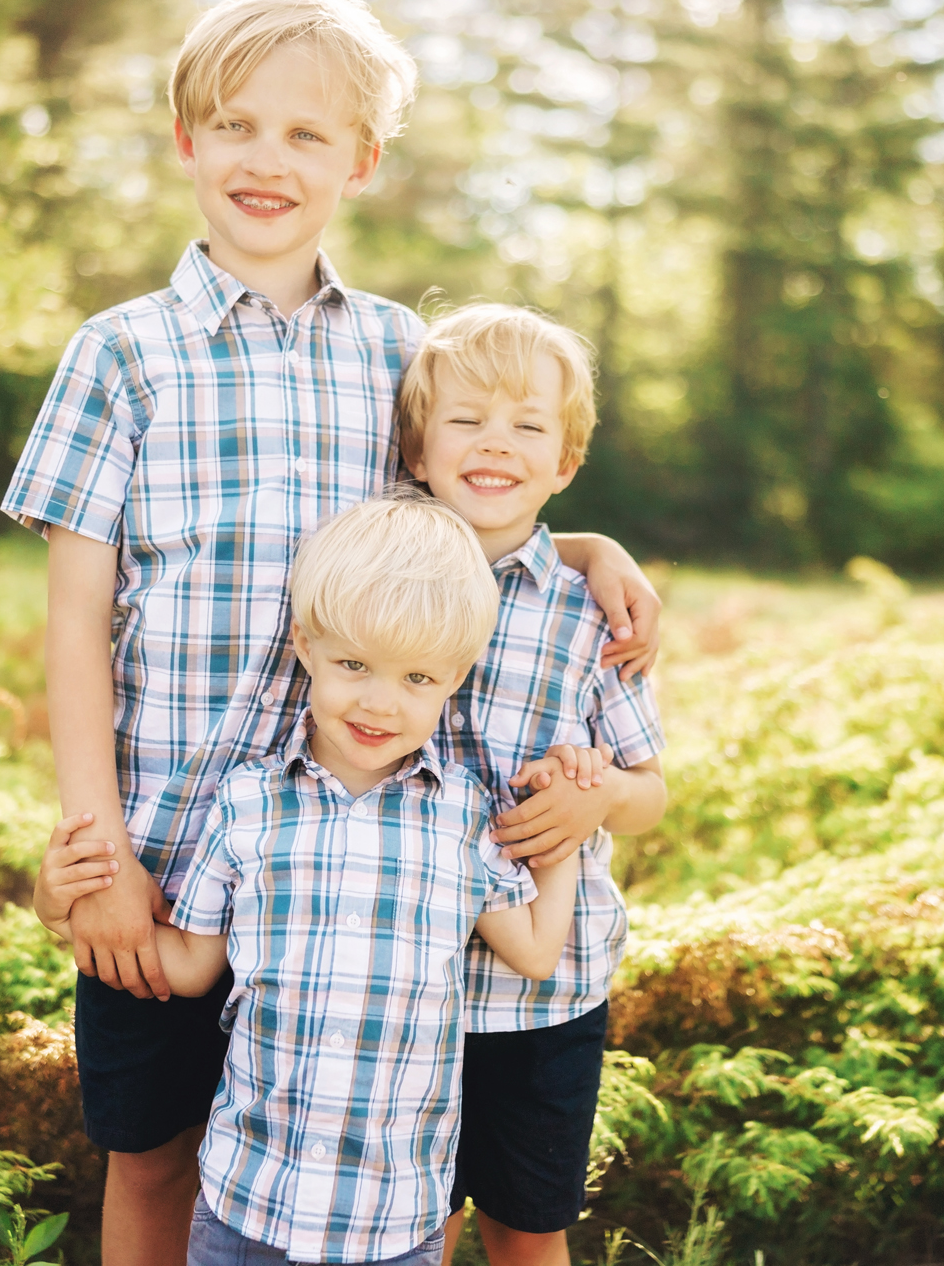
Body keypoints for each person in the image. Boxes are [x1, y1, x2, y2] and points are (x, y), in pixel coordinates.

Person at [1, 0, 661, 1266]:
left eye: (307, 134)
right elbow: (76, 625)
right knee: (156, 1154)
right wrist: (99, 851)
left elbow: (476, 519)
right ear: (188, 139)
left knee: (354, 1162)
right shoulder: (122, 355)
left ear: (360, 160)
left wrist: (586, 545)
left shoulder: (399, 354)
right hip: (173, 849)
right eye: (237, 125)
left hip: (346, 865)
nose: (267, 159)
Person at [38, 492, 584, 1266]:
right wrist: (60, 911)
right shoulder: (249, 804)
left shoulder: (462, 814)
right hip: (247, 1205)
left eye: (417, 677)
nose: (378, 700)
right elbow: (190, 966)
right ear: (305, 643)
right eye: (353, 663)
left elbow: (531, 950)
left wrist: (562, 836)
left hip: (395, 1218)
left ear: (454, 678)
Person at [395, 306, 667, 1266]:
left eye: (527, 425)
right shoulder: (379, 582)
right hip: (401, 973)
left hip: (544, 999)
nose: (495, 443)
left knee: (528, 1222)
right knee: (412, 1218)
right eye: (466, 420)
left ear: (564, 463)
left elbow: (651, 790)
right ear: (418, 451)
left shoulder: (594, 617)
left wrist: (599, 802)